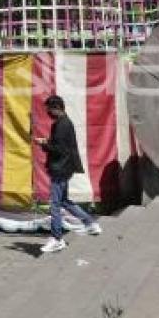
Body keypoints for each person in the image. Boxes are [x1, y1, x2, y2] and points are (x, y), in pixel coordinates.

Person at [34, 95, 102, 253]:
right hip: (66, 167)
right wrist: (48, 142)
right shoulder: (65, 123)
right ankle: (90, 223)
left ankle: (57, 239)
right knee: (64, 201)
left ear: (56, 108)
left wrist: (43, 144)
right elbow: (60, 145)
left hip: (60, 168)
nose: (48, 112)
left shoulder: (61, 125)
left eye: (49, 109)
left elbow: (59, 150)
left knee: (56, 204)